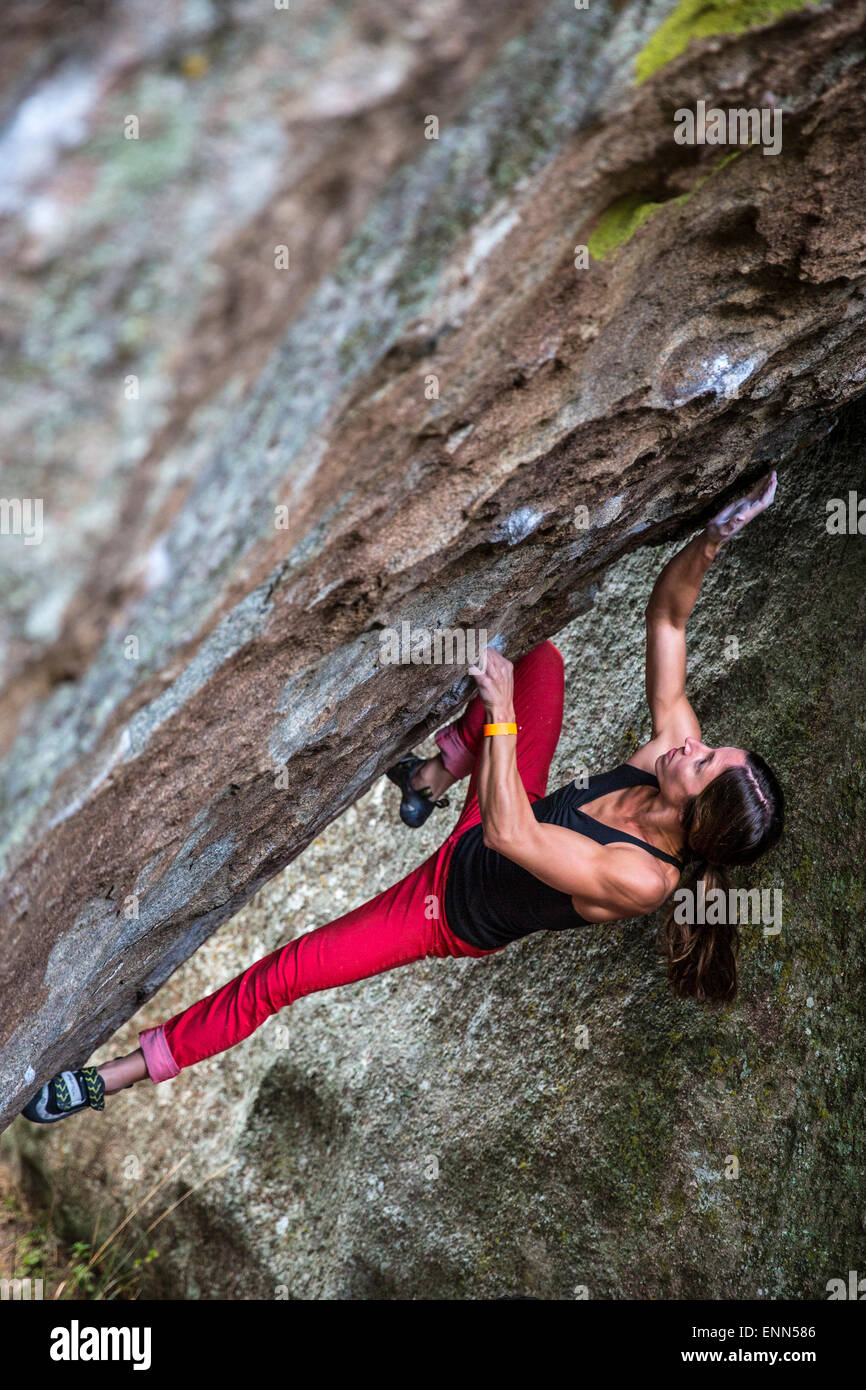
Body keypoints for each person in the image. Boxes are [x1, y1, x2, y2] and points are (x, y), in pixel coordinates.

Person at [23, 473, 783, 1124]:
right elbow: (669, 617)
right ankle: (429, 779)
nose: (694, 743)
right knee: (540, 654)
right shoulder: (670, 758)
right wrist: (716, 535)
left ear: (695, 816)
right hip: (508, 806)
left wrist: (504, 712)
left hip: (449, 903)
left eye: (706, 762)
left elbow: (516, 840)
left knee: (287, 974)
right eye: (711, 746)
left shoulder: (643, 878)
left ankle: (107, 1078)